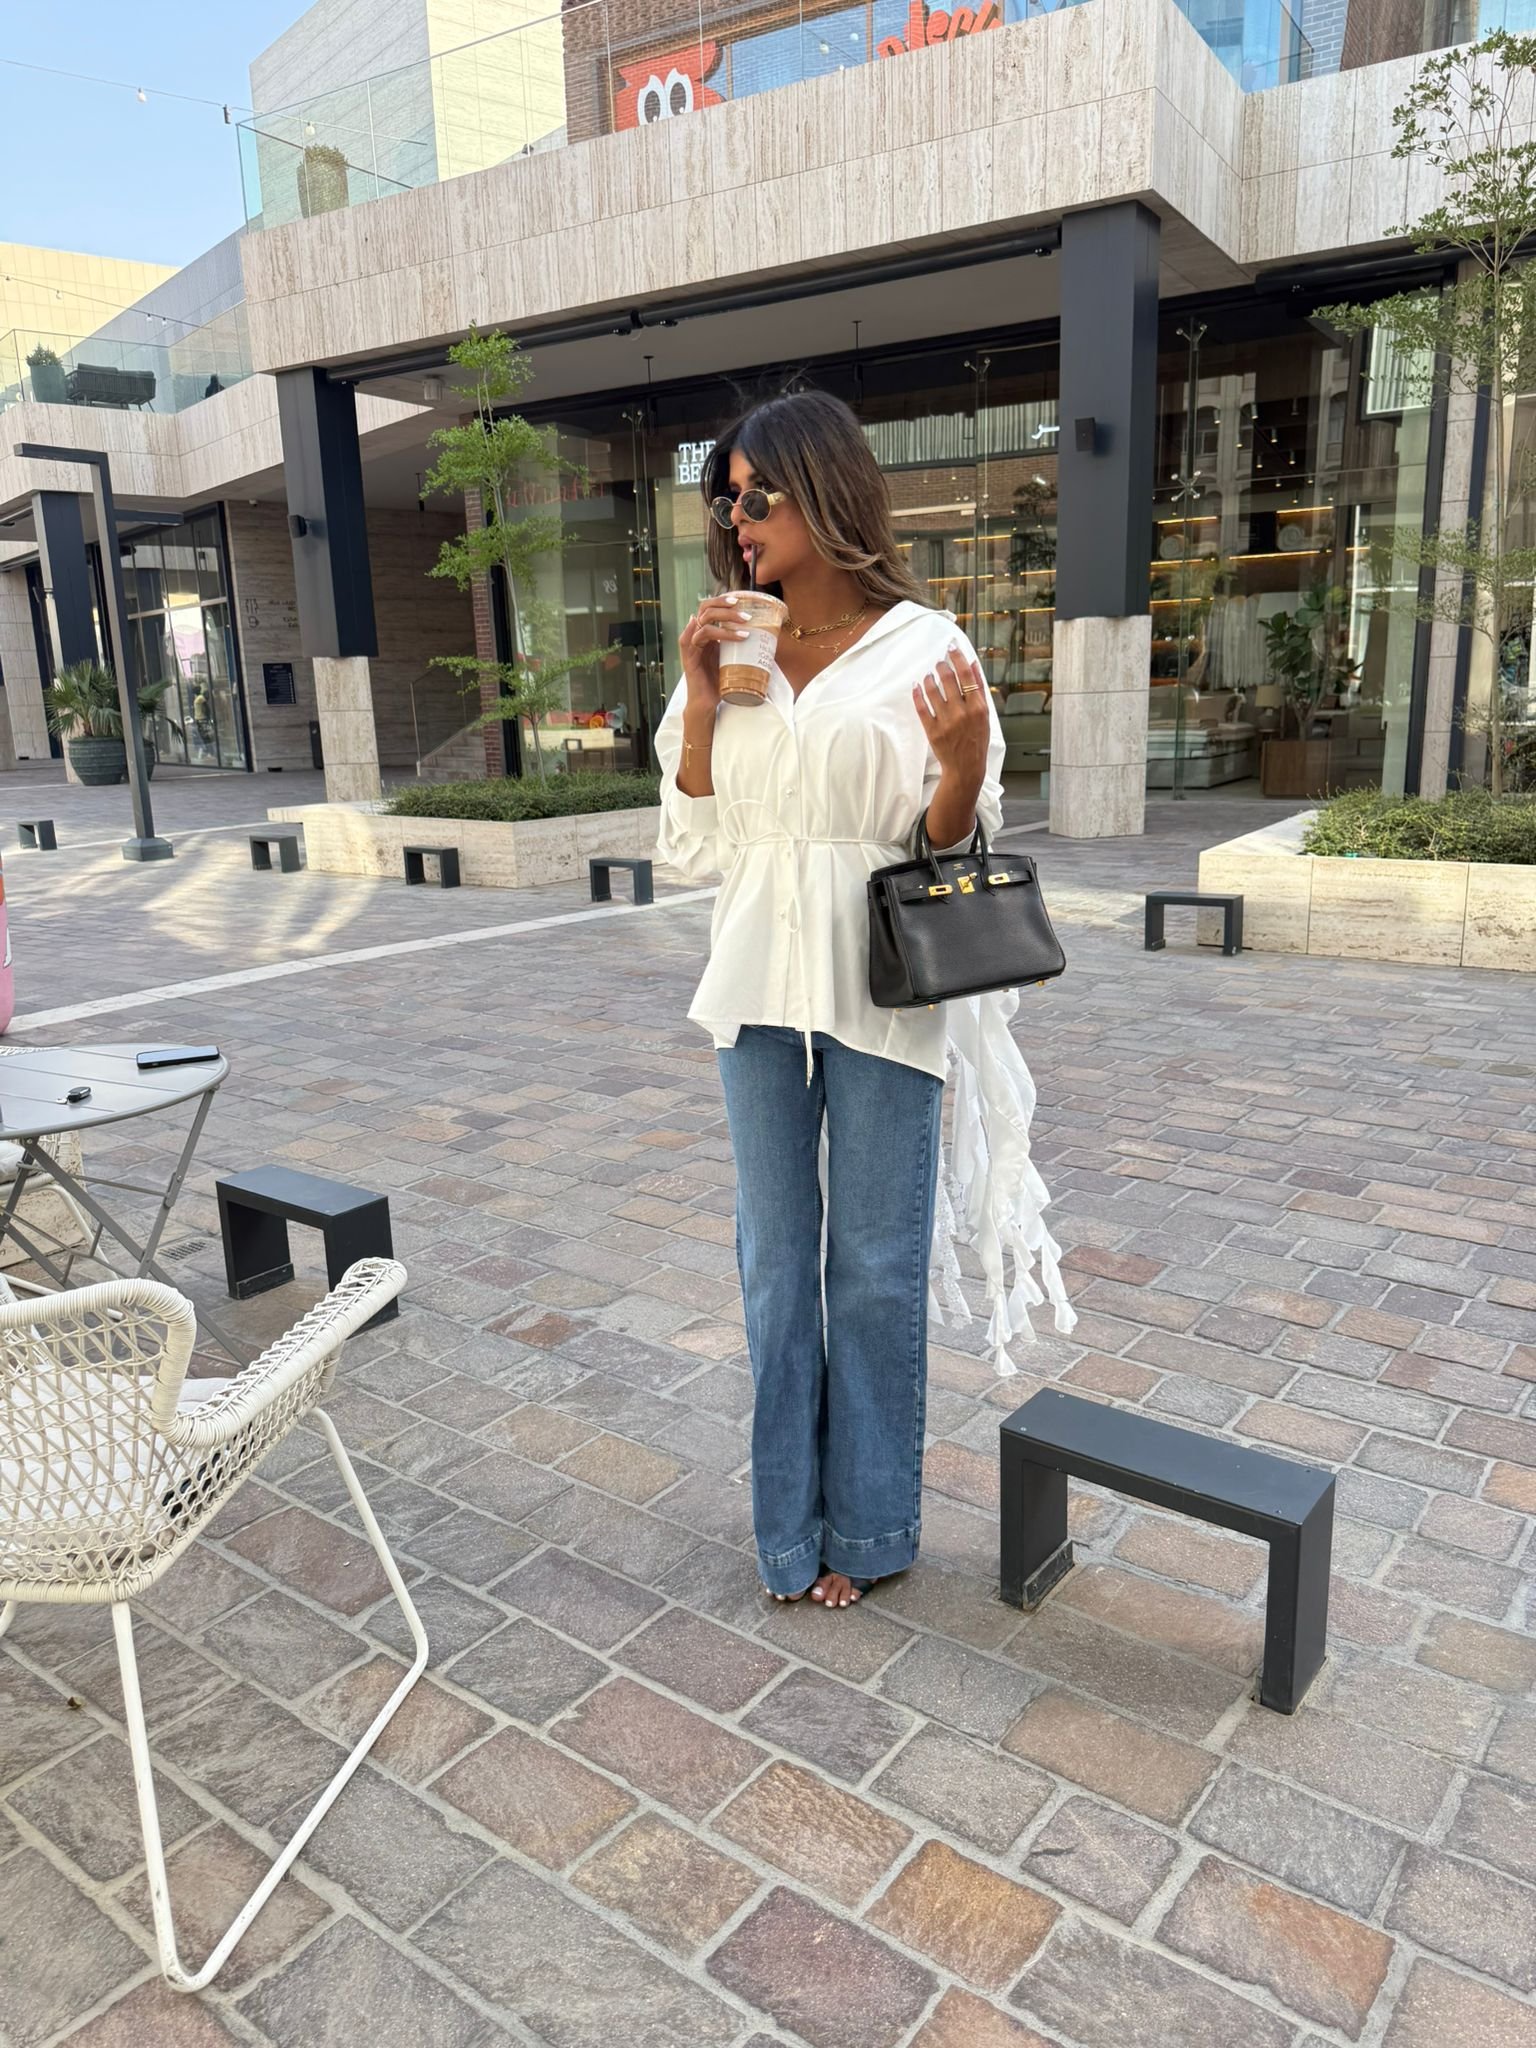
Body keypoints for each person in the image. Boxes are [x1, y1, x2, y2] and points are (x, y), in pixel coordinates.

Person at [656, 389, 1074, 1613]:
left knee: (878, 1267)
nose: (736, 519)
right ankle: (787, 1529)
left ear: (828, 489)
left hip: (886, 990)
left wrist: (963, 765)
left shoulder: (924, 645)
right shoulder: (728, 648)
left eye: (757, 494)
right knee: (776, 1265)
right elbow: (692, 842)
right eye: (725, 498)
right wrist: (697, 694)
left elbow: (947, 841)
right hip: (753, 986)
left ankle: (872, 1523)